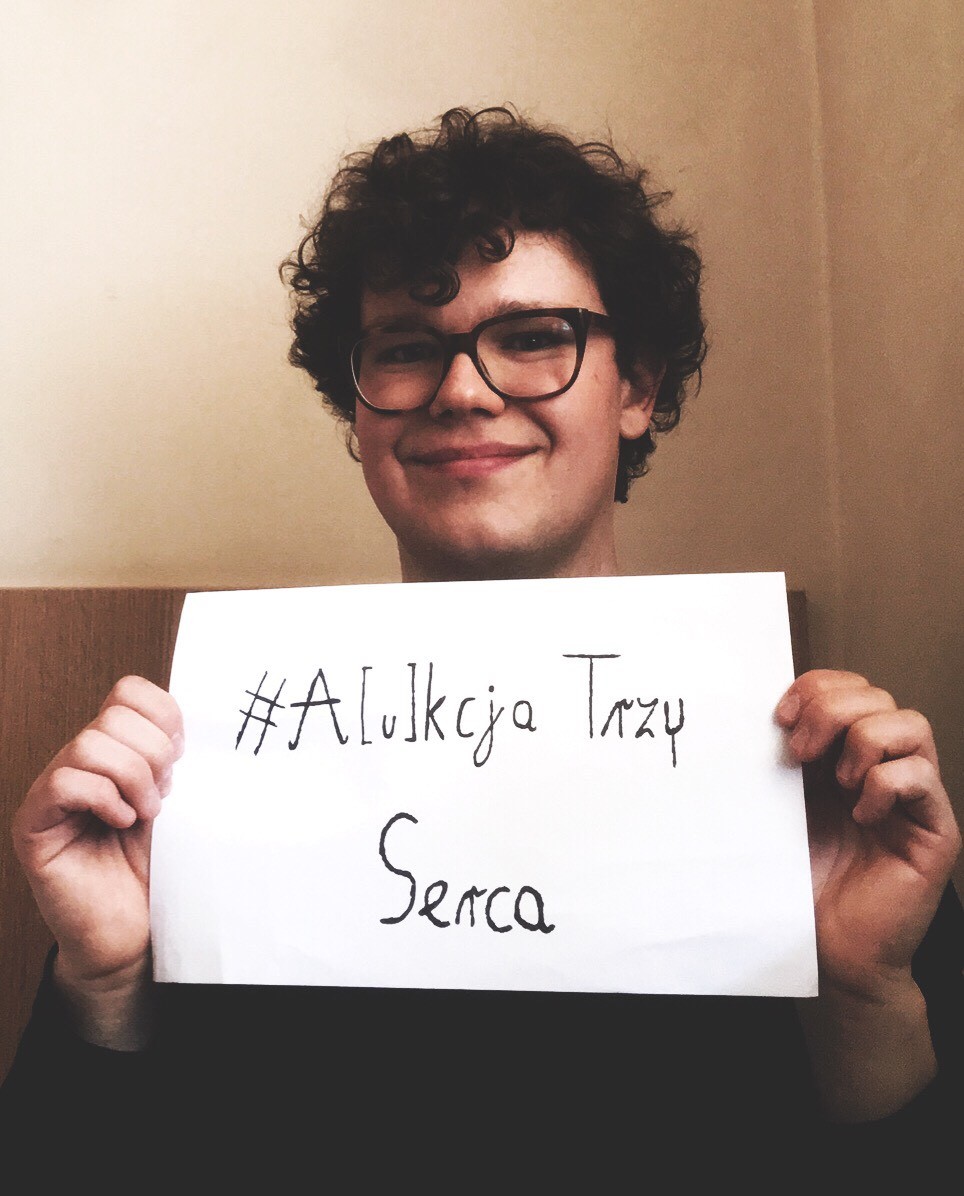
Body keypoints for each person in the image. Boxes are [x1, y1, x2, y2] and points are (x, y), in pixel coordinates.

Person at [2, 107, 961, 1185]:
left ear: (637, 387)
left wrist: (864, 994)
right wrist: (103, 981)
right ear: (358, 416)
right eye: (408, 350)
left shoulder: (821, 797)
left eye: (534, 336)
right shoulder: (204, 793)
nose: (463, 389)